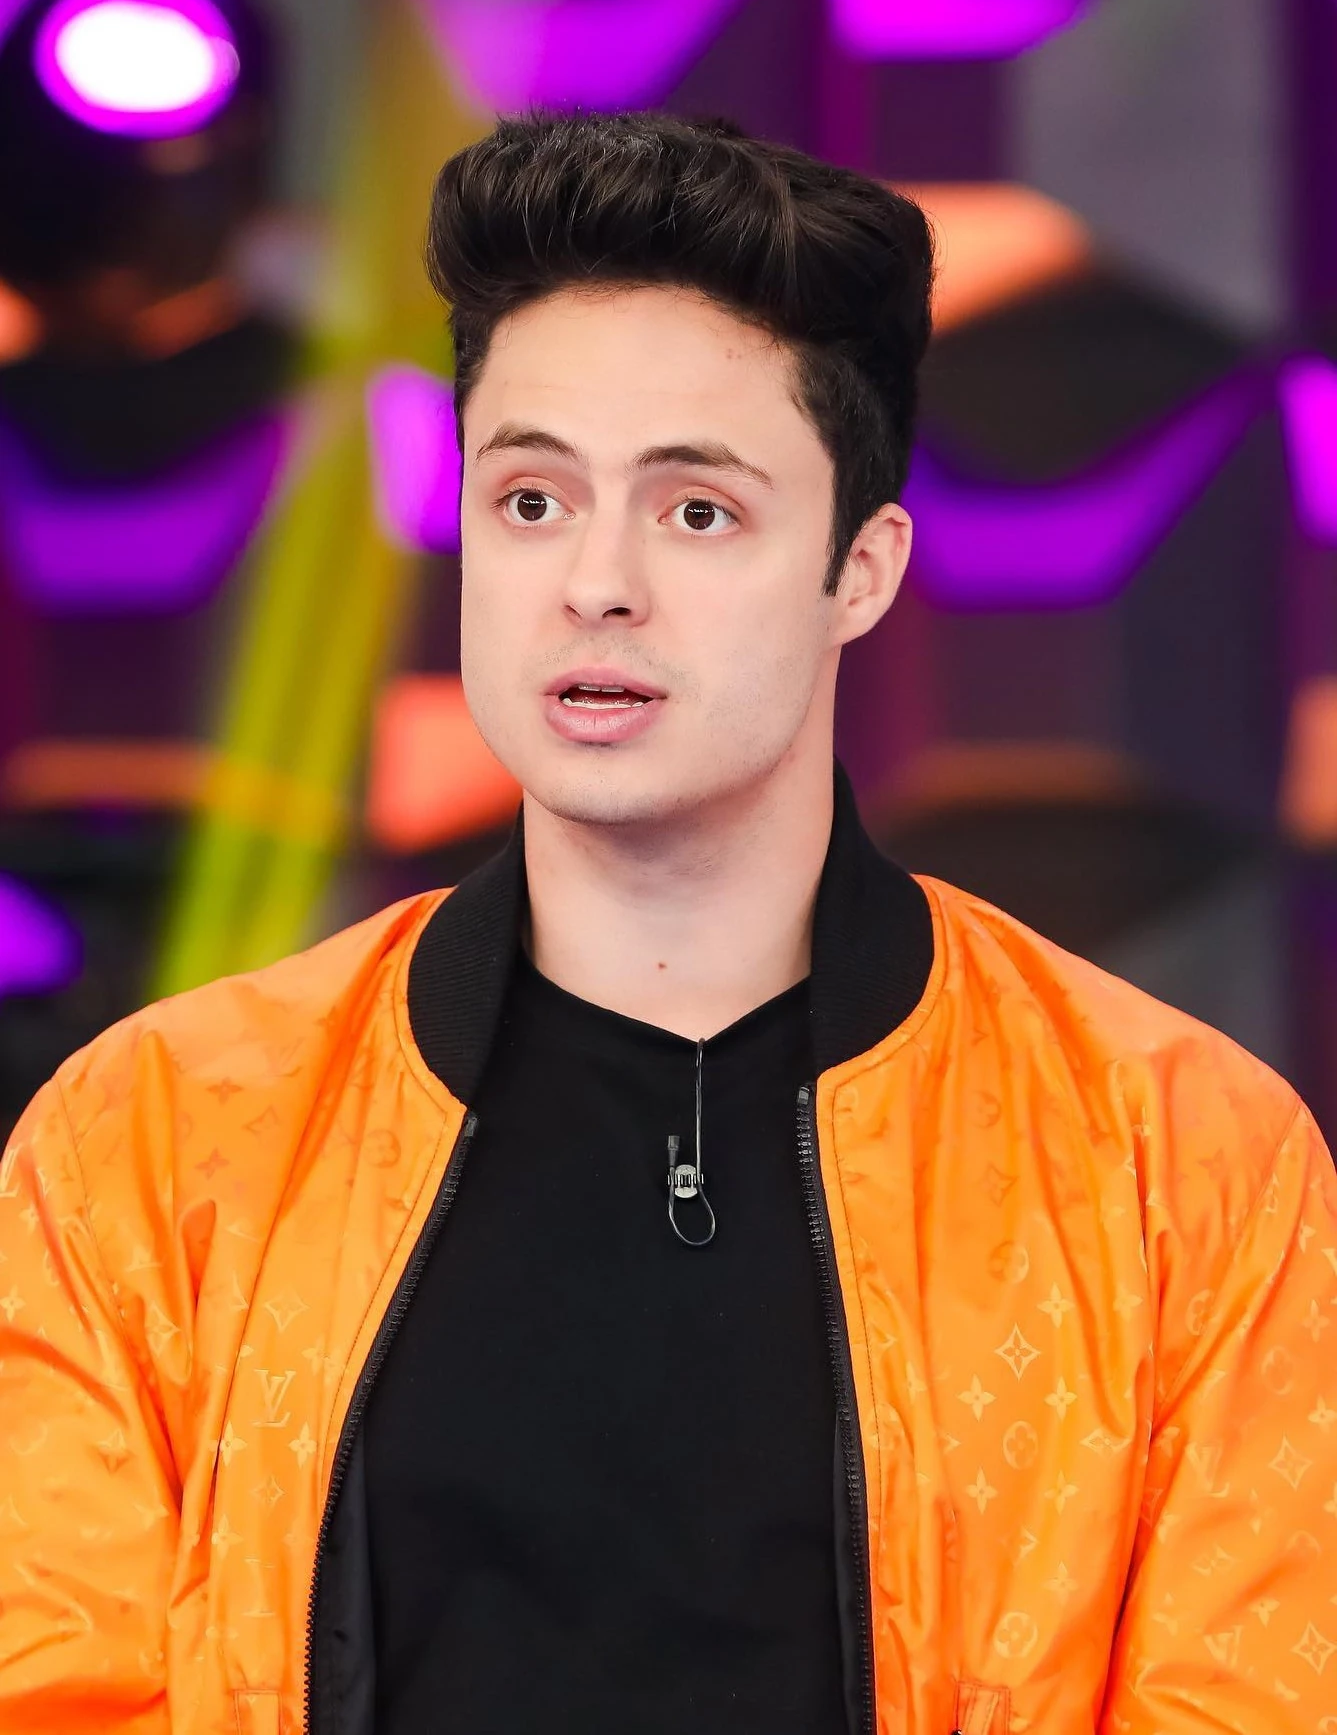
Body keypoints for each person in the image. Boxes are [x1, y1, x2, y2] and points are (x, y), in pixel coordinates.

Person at [1, 110, 1334, 1735]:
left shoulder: (1181, 1160)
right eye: (531, 500)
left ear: (861, 568)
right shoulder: (154, 1140)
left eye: (697, 510)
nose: (597, 582)